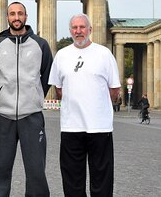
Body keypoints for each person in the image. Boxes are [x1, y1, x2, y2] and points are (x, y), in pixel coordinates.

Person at [48, 13, 121, 197]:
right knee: (72, 180)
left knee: (102, 179)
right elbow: (58, 89)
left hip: (99, 127)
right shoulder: (62, 55)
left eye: (82, 27)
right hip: (71, 126)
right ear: (70, 30)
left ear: (90, 30)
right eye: (75, 27)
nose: (78, 31)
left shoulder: (104, 54)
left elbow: (114, 90)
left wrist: (97, 105)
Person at [0, 2, 53, 197]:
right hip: (3, 116)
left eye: (20, 14)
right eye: (12, 14)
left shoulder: (40, 44)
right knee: (0, 169)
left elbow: (47, 74)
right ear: (7, 17)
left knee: (36, 171)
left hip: (31, 116)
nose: (16, 17)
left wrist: (33, 94)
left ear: (26, 16)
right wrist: (3, 91)